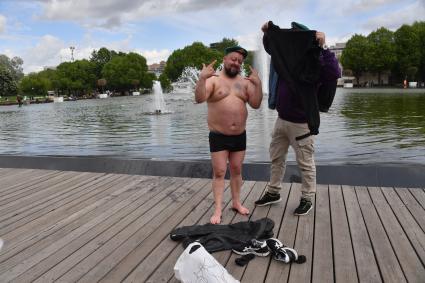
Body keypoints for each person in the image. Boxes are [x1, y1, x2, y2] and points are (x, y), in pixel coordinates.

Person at [255, 21, 341, 215]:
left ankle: (307, 198)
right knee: (276, 158)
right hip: (281, 119)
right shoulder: (286, 58)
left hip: (302, 124)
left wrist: (323, 46)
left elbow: (334, 72)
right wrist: (267, 34)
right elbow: (271, 47)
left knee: (306, 164)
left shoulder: (315, 60)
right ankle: (273, 192)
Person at [195, 45, 263, 224]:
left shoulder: (245, 82)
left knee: (236, 170)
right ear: (225, 59)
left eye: (240, 61)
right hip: (219, 136)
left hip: (239, 135)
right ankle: (217, 210)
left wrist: (258, 84)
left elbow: (256, 104)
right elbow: (199, 98)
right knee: (219, 172)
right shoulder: (214, 80)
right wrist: (202, 79)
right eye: (233, 59)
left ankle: (236, 203)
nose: (236, 63)